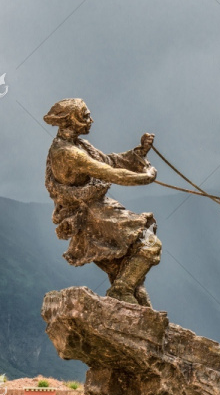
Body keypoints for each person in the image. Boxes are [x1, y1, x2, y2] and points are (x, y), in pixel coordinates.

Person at [44, 98, 161, 306]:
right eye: (85, 116)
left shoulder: (76, 145)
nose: (91, 120)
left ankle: (135, 312)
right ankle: (120, 290)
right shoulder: (68, 153)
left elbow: (109, 161)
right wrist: (147, 177)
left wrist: (139, 153)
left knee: (135, 283)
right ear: (71, 120)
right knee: (149, 244)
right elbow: (111, 173)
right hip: (92, 216)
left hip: (94, 214)